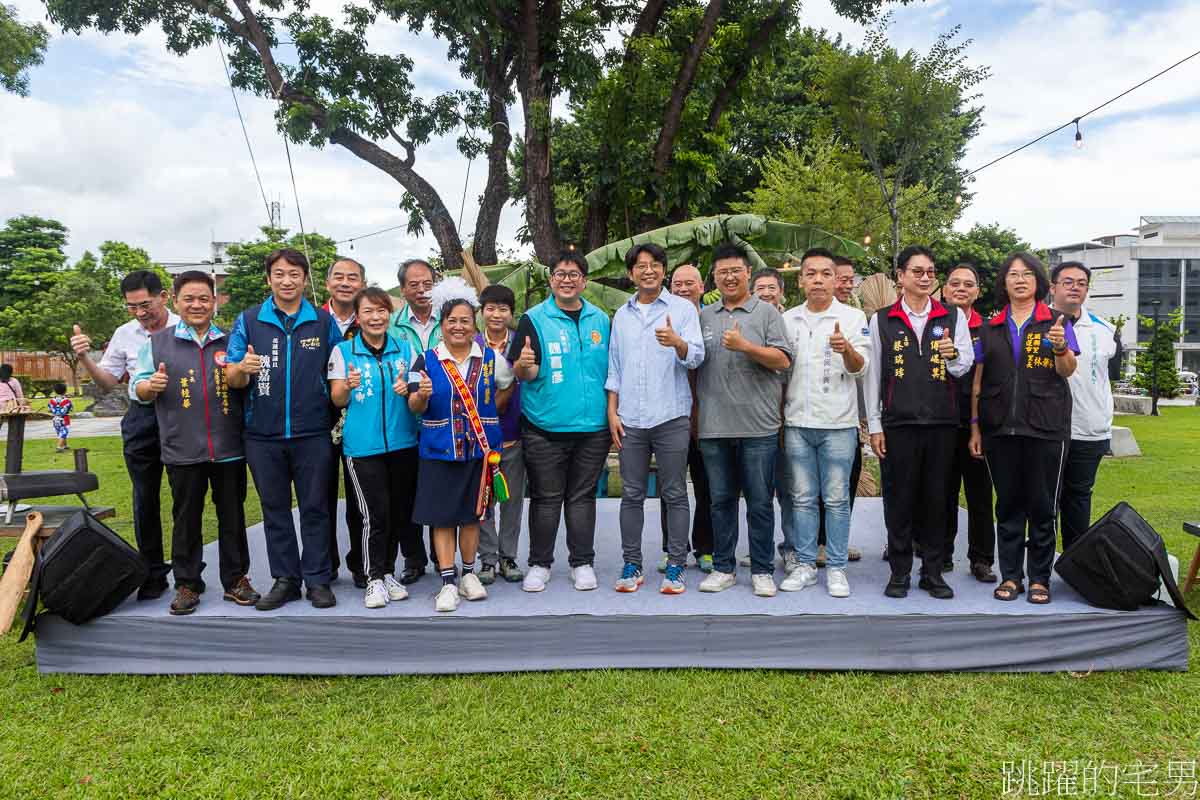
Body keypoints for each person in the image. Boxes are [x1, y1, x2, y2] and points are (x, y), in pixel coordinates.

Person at [130, 271, 259, 615]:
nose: (197, 305)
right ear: (175, 302)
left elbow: (243, 381)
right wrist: (149, 386)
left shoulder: (231, 341)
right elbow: (138, 388)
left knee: (232, 515)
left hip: (229, 446)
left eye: (204, 298)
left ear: (215, 302)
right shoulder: (158, 343)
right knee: (186, 517)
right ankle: (187, 583)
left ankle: (236, 580)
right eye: (189, 298)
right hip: (181, 447)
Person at [226, 248, 341, 611]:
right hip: (262, 434)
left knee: (315, 508)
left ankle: (318, 579)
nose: (286, 280)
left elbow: (338, 369)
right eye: (279, 273)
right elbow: (230, 374)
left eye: (294, 274)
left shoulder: (323, 324)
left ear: (305, 279)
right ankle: (286, 579)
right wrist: (242, 367)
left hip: (313, 433)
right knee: (274, 508)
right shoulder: (248, 320)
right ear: (268, 279)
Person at [865, 245, 974, 600]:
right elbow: (873, 377)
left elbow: (963, 367)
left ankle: (932, 572)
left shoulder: (952, 317)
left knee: (937, 500)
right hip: (898, 424)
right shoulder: (882, 319)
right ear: (901, 276)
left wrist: (954, 354)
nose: (925, 278)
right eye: (917, 271)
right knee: (898, 499)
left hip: (942, 423)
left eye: (930, 272)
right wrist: (875, 425)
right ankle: (899, 572)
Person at [970, 252, 1078, 605]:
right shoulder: (990, 328)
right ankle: (1011, 576)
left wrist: (1061, 347)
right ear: (1004, 282)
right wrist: (975, 427)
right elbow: (977, 383)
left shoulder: (1056, 322)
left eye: (1027, 274)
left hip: (1046, 428)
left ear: (1038, 282)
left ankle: (1040, 578)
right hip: (1000, 429)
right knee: (1008, 507)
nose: (1019, 280)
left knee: (1043, 508)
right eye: (1012, 274)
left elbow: (1066, 371)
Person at [70, 270, 180, 600]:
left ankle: (188, 569)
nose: (140, 313)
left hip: (179, 416)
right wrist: (84, 358)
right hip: (141, 419)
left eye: (145, 304)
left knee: (185, 497)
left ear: (163, 297)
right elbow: (108, 382)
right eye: (132, 307)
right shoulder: (125, 333)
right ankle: (152, 572)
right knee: (144, 497)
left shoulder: (183, 325)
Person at [509, 248, 612, 593]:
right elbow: (526, 371)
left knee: (582, 498)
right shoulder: (534, 318)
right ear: (551, 280)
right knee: (546, 498)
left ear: (584, 281)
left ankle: (582, 562)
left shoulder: (601, 319)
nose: (567, 280)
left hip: (593, 428)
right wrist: (522, 364)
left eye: (574, 275)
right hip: (545, 427)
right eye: (560, 274)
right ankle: (539, 564)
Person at [409, 280, 515, 612]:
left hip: (478, 454)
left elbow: (507, 388)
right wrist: (421, 396)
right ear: (442, 326)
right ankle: (447, 581)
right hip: (439, 452)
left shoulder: (492, 359)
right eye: (452, 320)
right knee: (442, 519)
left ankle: (469, 574)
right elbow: (413, 405)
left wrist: (487, 417)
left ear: (475, 324)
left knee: (473, 516)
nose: (458, 326)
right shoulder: (423, 360)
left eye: (465, 320)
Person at [695, 242, 792, 597]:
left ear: (748, 273)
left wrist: (747, 346)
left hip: (759, 426)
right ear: (715, 278)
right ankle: (723, 567)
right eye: (722, 272)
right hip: (714, 425)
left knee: (760, 502)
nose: (730, 277)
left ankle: (763, 569)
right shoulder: (704, 317)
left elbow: (782, 360)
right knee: (719, 501)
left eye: (736, 270)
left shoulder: (766, 313)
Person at [607, 243, 704, 594]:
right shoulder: (621, 315)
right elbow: (614, 368)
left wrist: (677, 342)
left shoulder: (682, 310)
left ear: (664, 270)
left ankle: (676, 564)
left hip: (671, 414)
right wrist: (612, 412)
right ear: (631, 273)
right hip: (631, 417)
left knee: (675, 493)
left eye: (654, 265)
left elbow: (696, 357)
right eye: (640, 266)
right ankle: (631, 563)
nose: (647, 271)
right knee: (631, 494)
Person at [777, 249, 871, 598]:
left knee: (836, 499)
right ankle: (803, 564)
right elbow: (780, 372)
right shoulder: (788, 320)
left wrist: (845, 348)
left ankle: (836, 568)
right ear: (800, 280)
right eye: (811, 273)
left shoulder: (852, 316)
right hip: (798, 422)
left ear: (837, 279)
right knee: (801, 498)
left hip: (838, 425)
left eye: (825, 274)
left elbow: (861, 368)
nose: (818, 279)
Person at [327, 286, 420, 609]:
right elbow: (337, 398)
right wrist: (347, 387)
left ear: (389, 314)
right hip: (362, 448)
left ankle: (388, 571)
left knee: (396, 513)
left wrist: (409, 389)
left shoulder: (405, 349)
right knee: (373, 516)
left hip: (403, 442)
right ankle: (373, 578)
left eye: (381, 310)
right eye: (368, 311)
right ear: (358, 316)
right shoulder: (344, 351)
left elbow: (418, 397)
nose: (376, 317)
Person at [1050, 260, 1122, 552]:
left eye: (1081, 283)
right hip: (1047, 429)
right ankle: (1039, 570)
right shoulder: (1036, 325)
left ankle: (1073, 564)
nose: (1075, 287)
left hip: (1089, 429)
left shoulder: (1104, 329)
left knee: (1078, 499)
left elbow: (1109, 376)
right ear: (1053, 287)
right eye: (1068, 281)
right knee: (1043, 500)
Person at [941, 264, 996, 582]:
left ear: (978, 291)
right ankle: (942, 553)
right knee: (941, 492)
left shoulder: (989, 330)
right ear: (944, 289)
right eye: (954, 283)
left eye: (968, 284)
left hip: (978, 425)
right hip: (940, 422)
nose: (961, 288)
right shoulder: (934, 324)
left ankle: (982, 559)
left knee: (979, 495)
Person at [658, 264, 715, 573]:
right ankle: (673, 548)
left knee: (710, 487)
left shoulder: (712, 319)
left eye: (689, 283)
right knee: (672, 487)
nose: (682, 289)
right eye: (677, 283)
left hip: (710, 419)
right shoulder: (664, 319)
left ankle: (706, 547)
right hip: (673, 416)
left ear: (702, 287)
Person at [387, 257, 441, 582]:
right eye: (413, 285)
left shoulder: (450, 319)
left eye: (427, 283)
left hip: (442, 423)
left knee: (439, 491)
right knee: (404, 494)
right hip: (405, 423)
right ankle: (413, 559)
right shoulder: (392, 325)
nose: (421, 290)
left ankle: (442, 555)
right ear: (403, 289)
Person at [816, 255, 866, 565]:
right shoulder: (805, 316)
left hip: (849, 418)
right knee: (814, 488)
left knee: (846, 481)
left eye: (850, 279)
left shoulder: (859, 318)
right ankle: (816, 543)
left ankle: (837, 542)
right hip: (812, 417)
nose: (846, 284)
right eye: (842, 278)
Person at [476, 284, 527, 586]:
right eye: (491, 309)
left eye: (503, 309)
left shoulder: (522, 344)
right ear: (482, 313)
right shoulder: (471, 345)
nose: (497, 315)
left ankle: (509, 556)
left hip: (514, 434)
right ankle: (487, 559)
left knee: (512, 499)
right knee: (484, 500)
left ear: (511, 313)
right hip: (480, 438)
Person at [323, 256, 367, 588]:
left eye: (353, 277)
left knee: (360, 498)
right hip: (318, 422)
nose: (345, 282)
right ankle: (325, 566)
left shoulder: (371, 320)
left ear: (362, 285)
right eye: (339, 276)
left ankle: (361, 563)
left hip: (362, 420)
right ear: (327, 283)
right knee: (319, 498)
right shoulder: (311, 320)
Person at [749, 267, 797, 570]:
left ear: (781, 292)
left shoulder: (792, 322)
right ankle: (759, 549)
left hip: (790, 419)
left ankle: (791, 547)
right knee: (758, 493)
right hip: (756, 420)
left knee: (789, 492)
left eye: (772, 288)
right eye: (760, 289)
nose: (766, 293)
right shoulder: (747, 324)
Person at [48, 383, 72, 453]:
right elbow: (70, 409)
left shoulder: (51, 401)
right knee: (64, 432)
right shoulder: (67, 401)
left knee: (60, 432)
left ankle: (65, 445)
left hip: (55, 419)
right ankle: (59, 447)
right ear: (65, 391)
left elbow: (49, 409)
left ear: (55, 391)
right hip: (64, 419)